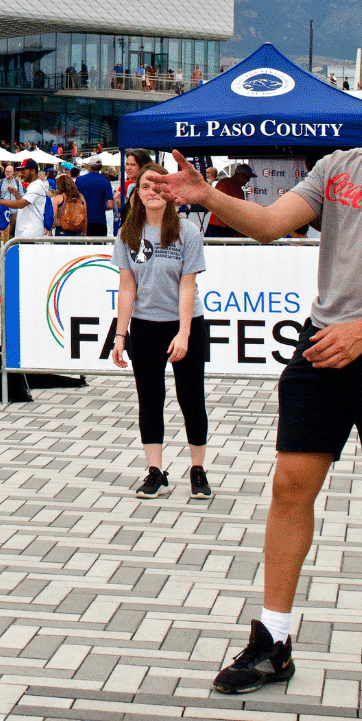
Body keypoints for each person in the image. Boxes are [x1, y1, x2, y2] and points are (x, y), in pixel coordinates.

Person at [149, 39, 362, 701]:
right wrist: (206, 195)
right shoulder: (340, 163)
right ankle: (273, 639)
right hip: (324, 344)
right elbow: (268, 223)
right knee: (292, 484)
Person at [111, 163, 210, 500]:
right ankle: (155, 471)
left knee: (191, 398)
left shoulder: (188, 232)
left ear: (169, 192)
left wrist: (183, 334)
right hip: (145, 326)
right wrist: (120, 336)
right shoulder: (128, 233)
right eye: (144, 187)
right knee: (150, 399)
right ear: (137, 194)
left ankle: (198, 469)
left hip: (185, 325)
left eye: (157, 186)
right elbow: (127, 287)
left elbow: (188, 286)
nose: (151, 192)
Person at [0, 160, 52, 241]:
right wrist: (16, 194)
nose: (21, 174)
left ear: (33, 171)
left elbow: (21, 204)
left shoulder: (36, 186)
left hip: (31, 233)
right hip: (27, 232)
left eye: (24, 171)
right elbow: (27, 204)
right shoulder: (34, 185)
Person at [207, 164, 252, 237]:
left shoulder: (222, 182)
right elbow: (239, 212)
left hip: (213, 223)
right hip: (224, 227)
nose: (248, 180)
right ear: (241, 175)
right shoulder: (237, 189)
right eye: (248, 177)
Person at [75, 160, 115, 236]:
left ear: (90, 166)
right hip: (100, 220)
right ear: (100, 167)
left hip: (82, 220)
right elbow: (111, 205)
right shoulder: (105, 181)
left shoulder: (80, 180)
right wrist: (102, 207)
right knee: (99, 246)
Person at [52, 173, 87, 238]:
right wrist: (84, 231)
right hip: (77, 229)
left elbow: (54, 215)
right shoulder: (80, 197)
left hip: (62, 229)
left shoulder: (59, 197)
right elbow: (85, 215)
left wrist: (50, 231)